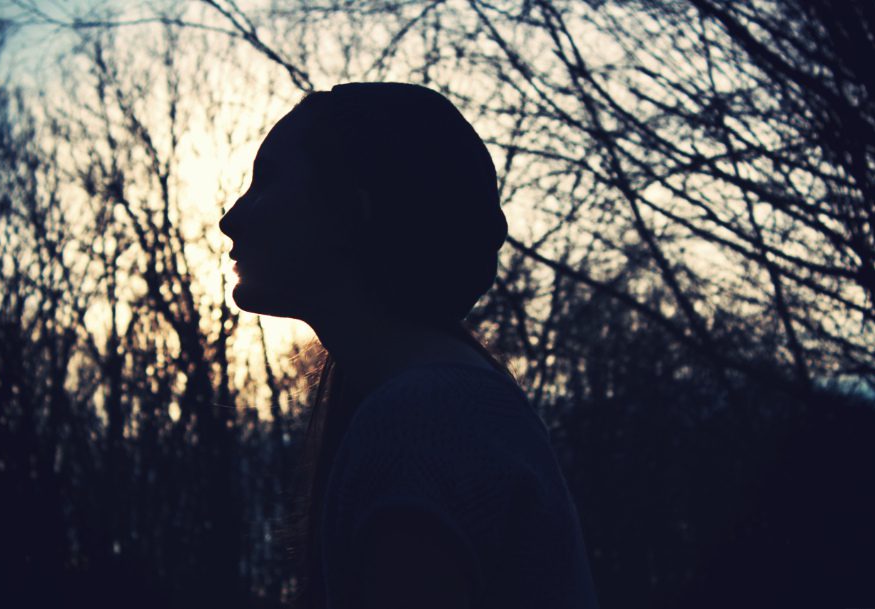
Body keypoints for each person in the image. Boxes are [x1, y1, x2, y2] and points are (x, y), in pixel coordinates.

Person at [218, 82, 599, 609]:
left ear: (349, 213)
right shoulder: (442, 404)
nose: (230, 219)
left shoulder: (423, 421)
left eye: (266, 183)